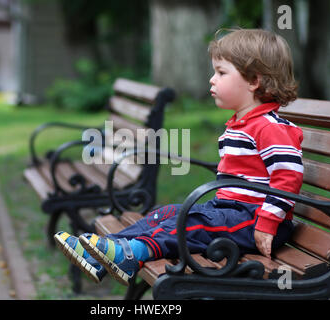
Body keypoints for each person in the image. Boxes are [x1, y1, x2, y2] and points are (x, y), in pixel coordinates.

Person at [54, 28, 304, 286]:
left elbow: (288, 177)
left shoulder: (270, 127)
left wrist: (267, 222)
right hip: (232, 214)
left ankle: (133, 253)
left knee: (190, 223)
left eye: (221, 72)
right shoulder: (243, 123)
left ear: (253, 80)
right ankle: (108, 250)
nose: (211, 80)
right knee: (167, 213)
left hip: (254, 220)